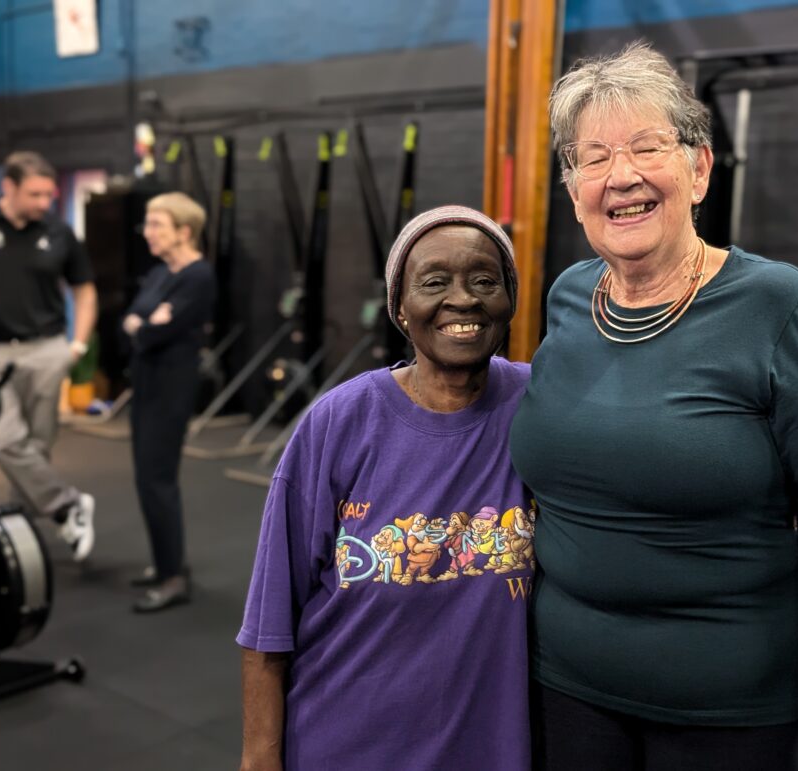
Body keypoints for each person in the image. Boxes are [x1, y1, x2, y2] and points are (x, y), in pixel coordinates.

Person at [509, 43, 798, 770]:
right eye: (594, 157)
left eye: (648, 146)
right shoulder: (567, 299)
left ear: (699, 167)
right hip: (565, 698)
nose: (622, 176)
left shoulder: (781, 309)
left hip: (732, 719)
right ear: (572, 185)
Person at [237, 205, 533, 771]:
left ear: (510, 299)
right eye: (434, 282)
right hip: (344, 744)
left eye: (484, 280)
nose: (463, 299)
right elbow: (269, 617)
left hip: (491, 750)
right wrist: (259, 759)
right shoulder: (339, 422)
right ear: (400, 306)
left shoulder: (537, 405)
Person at [0, 151, 97, 561]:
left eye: (49, 194)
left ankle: (20, 540)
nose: (44, 202)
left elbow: (84, 288)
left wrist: (76, 345)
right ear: (8, 187)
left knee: (36, 449)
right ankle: (67, 505)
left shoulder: (59, 231)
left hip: (47, 349)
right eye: (35, 194)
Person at [123, 192, 215, 613]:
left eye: (156, 224)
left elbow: (149, 331)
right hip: (145, 385)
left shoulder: (198, 277)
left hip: (170, 390)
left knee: (156, 480)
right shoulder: (161, 273)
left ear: (183, 231)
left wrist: (144, 327)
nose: (147, 232)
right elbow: (135, 319)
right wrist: (145, 325)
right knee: (146, 478)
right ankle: (166, 563)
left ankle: (173, 576)